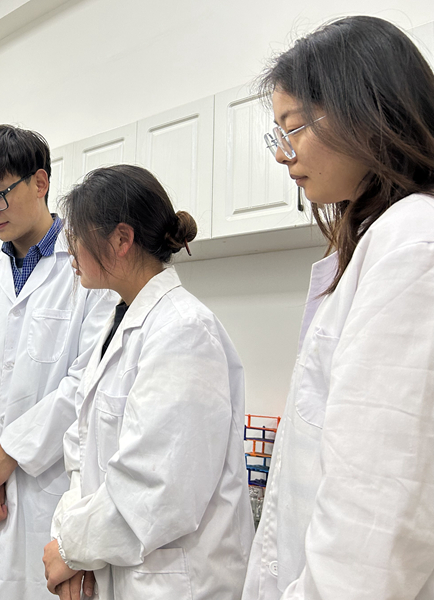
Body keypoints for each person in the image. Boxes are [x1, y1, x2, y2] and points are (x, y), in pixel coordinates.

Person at [243, 16, 434, 599]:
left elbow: (371, 529)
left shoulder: (413, 244)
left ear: (367, 110)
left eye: (294, 128)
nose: (284, 156)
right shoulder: (383, 240)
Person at [43, 165, 255, 599]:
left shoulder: (183, 329)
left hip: (175, 582)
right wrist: (72, 548)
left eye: (76, 238)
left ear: (121, 239)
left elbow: (160, 487)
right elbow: (81, 452)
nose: (71, 252)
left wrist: (71, 549)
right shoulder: (119, 323)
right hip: (117, 566)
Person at [0, 124, 117, 599]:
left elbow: (88, 380)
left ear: (40, 182)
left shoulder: (88, 268)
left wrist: (10, 453)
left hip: (48, 490)